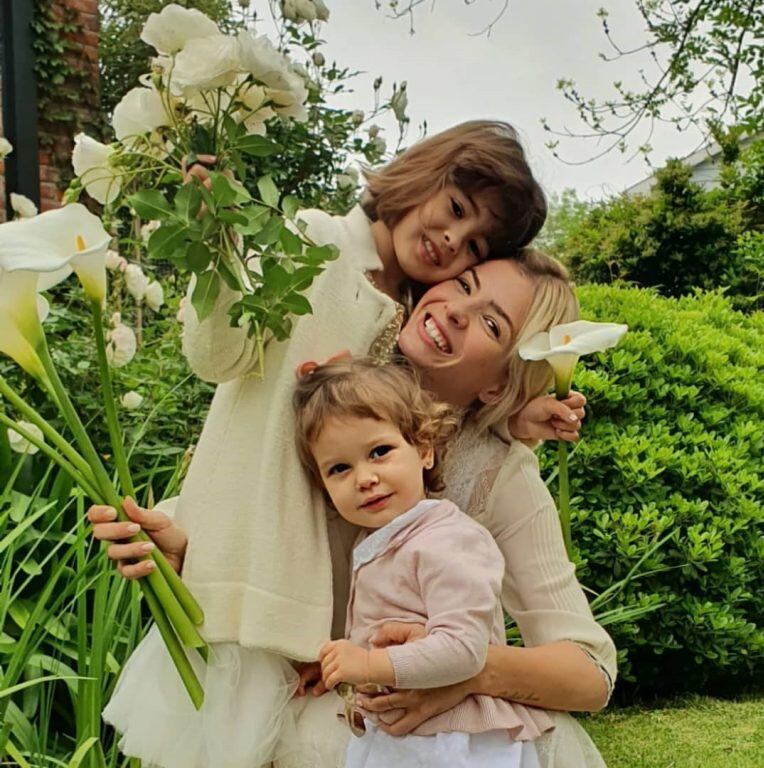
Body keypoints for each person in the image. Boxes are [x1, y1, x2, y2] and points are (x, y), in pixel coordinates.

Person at [91, 121, 600, 767]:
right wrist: (184, 532)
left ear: (507, 373)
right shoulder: (354, 345)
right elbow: (273, 477)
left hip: (365, 721)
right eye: (464, 284)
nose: (454, 305)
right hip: (276, 679)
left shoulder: (494, 467)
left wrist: (456, 668)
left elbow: (589, 670)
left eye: (491, 321)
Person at [294, 358, 552, 768]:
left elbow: (465, 648)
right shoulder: (380, 542)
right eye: (339, 468)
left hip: (457, 741)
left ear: (424, 450)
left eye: (379, 452)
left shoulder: (449, 539)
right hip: (410, 736)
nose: (364, 477)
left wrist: (367, 663)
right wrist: (340, 668)